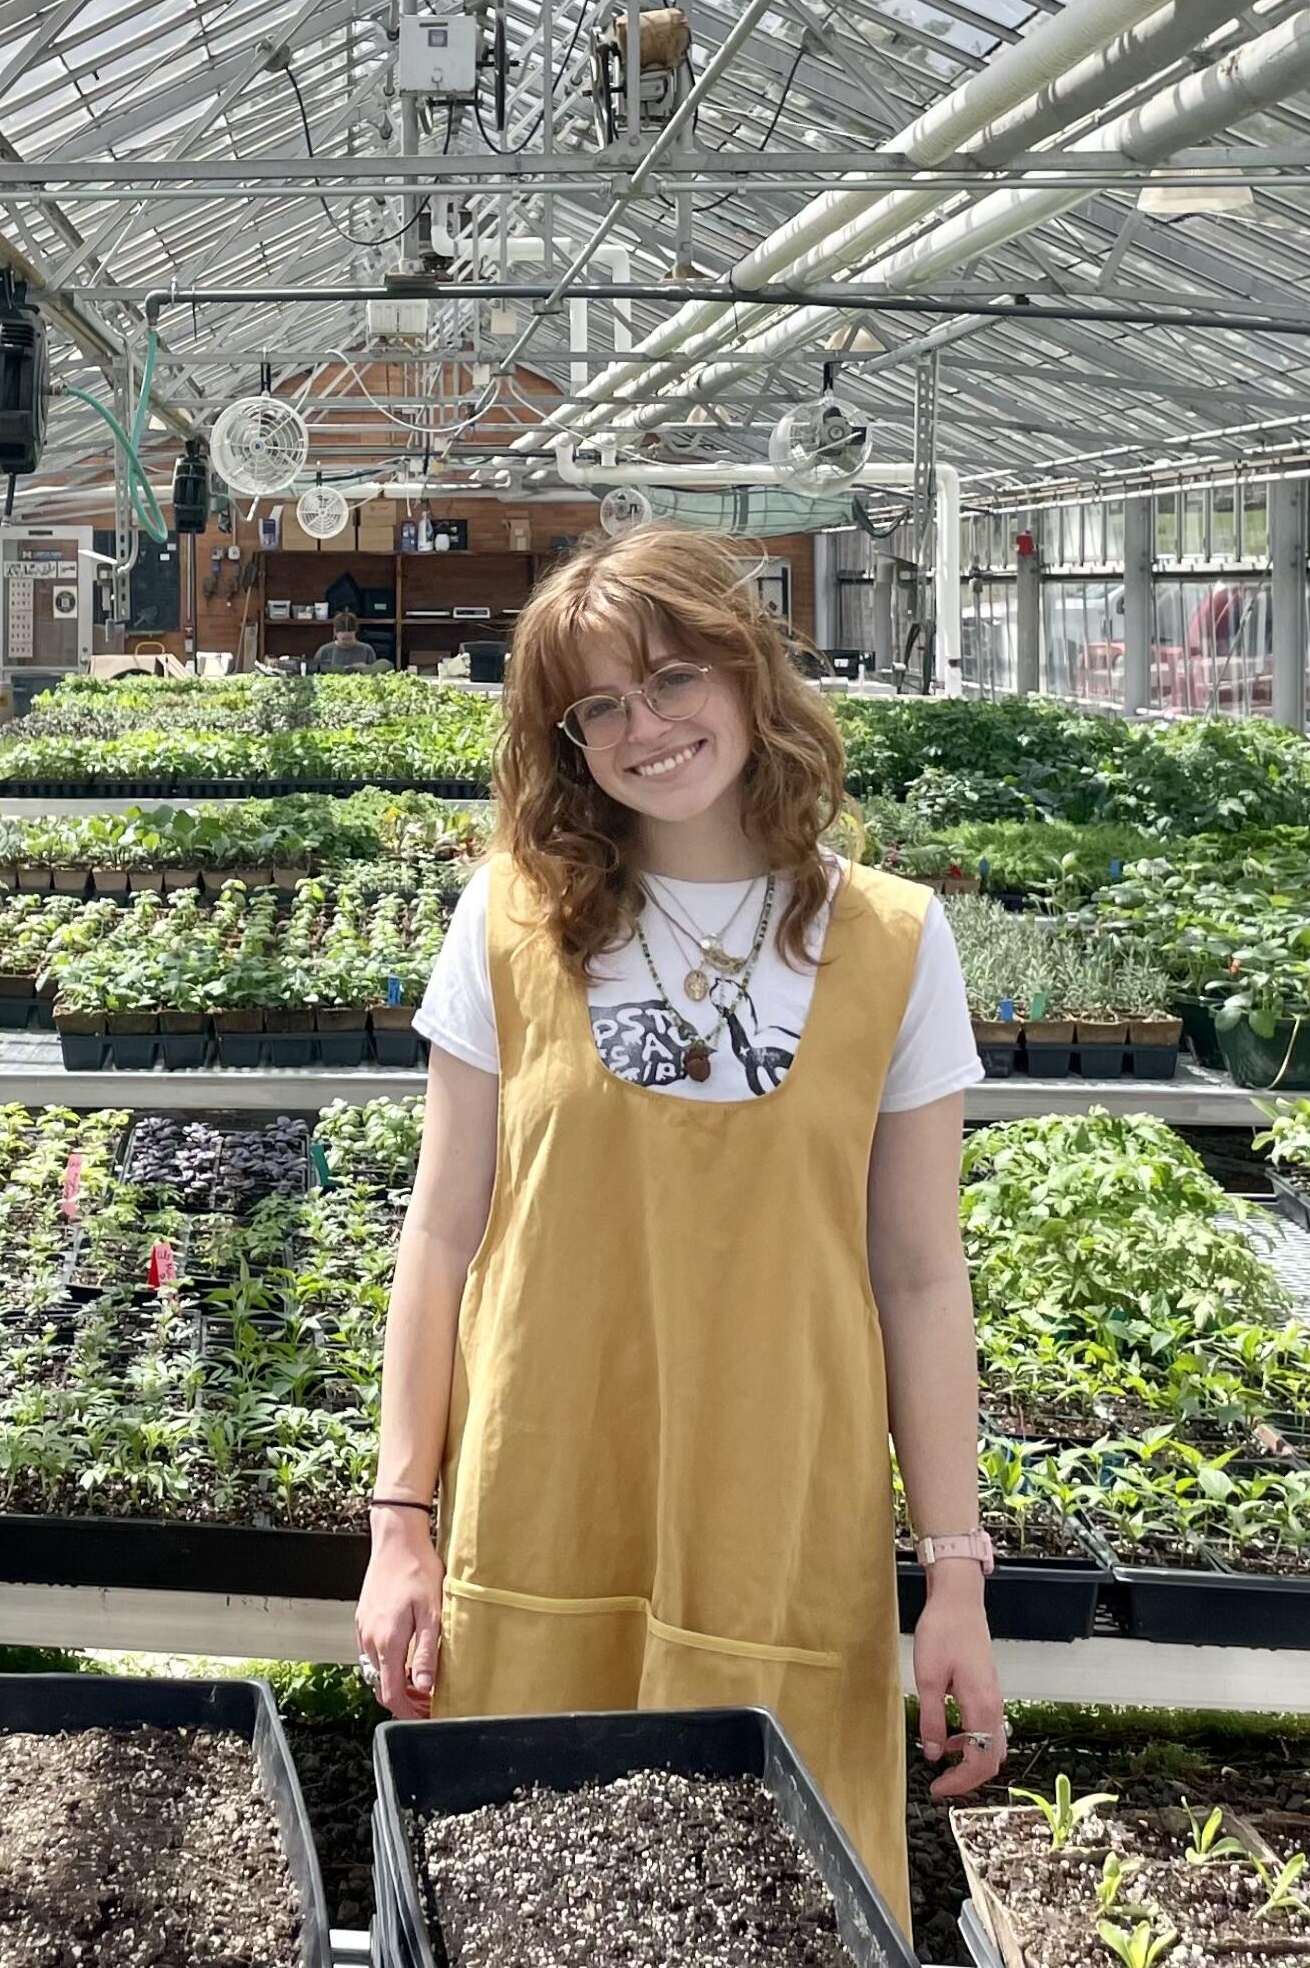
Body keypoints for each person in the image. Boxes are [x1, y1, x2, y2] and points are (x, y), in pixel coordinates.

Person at [355, 527, 1005, 1930]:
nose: (644, 727)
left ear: (746, 667)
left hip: (782, 1517)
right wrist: (401, 1520)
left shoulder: (892, 940)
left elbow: (918, 1275)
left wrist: (956, 1574)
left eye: (669, 677)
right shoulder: (513, 921)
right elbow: (443, 1233)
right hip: (544, 1503)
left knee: (762, 1917)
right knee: (531, 1901)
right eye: (598, 706)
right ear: (565, 739)